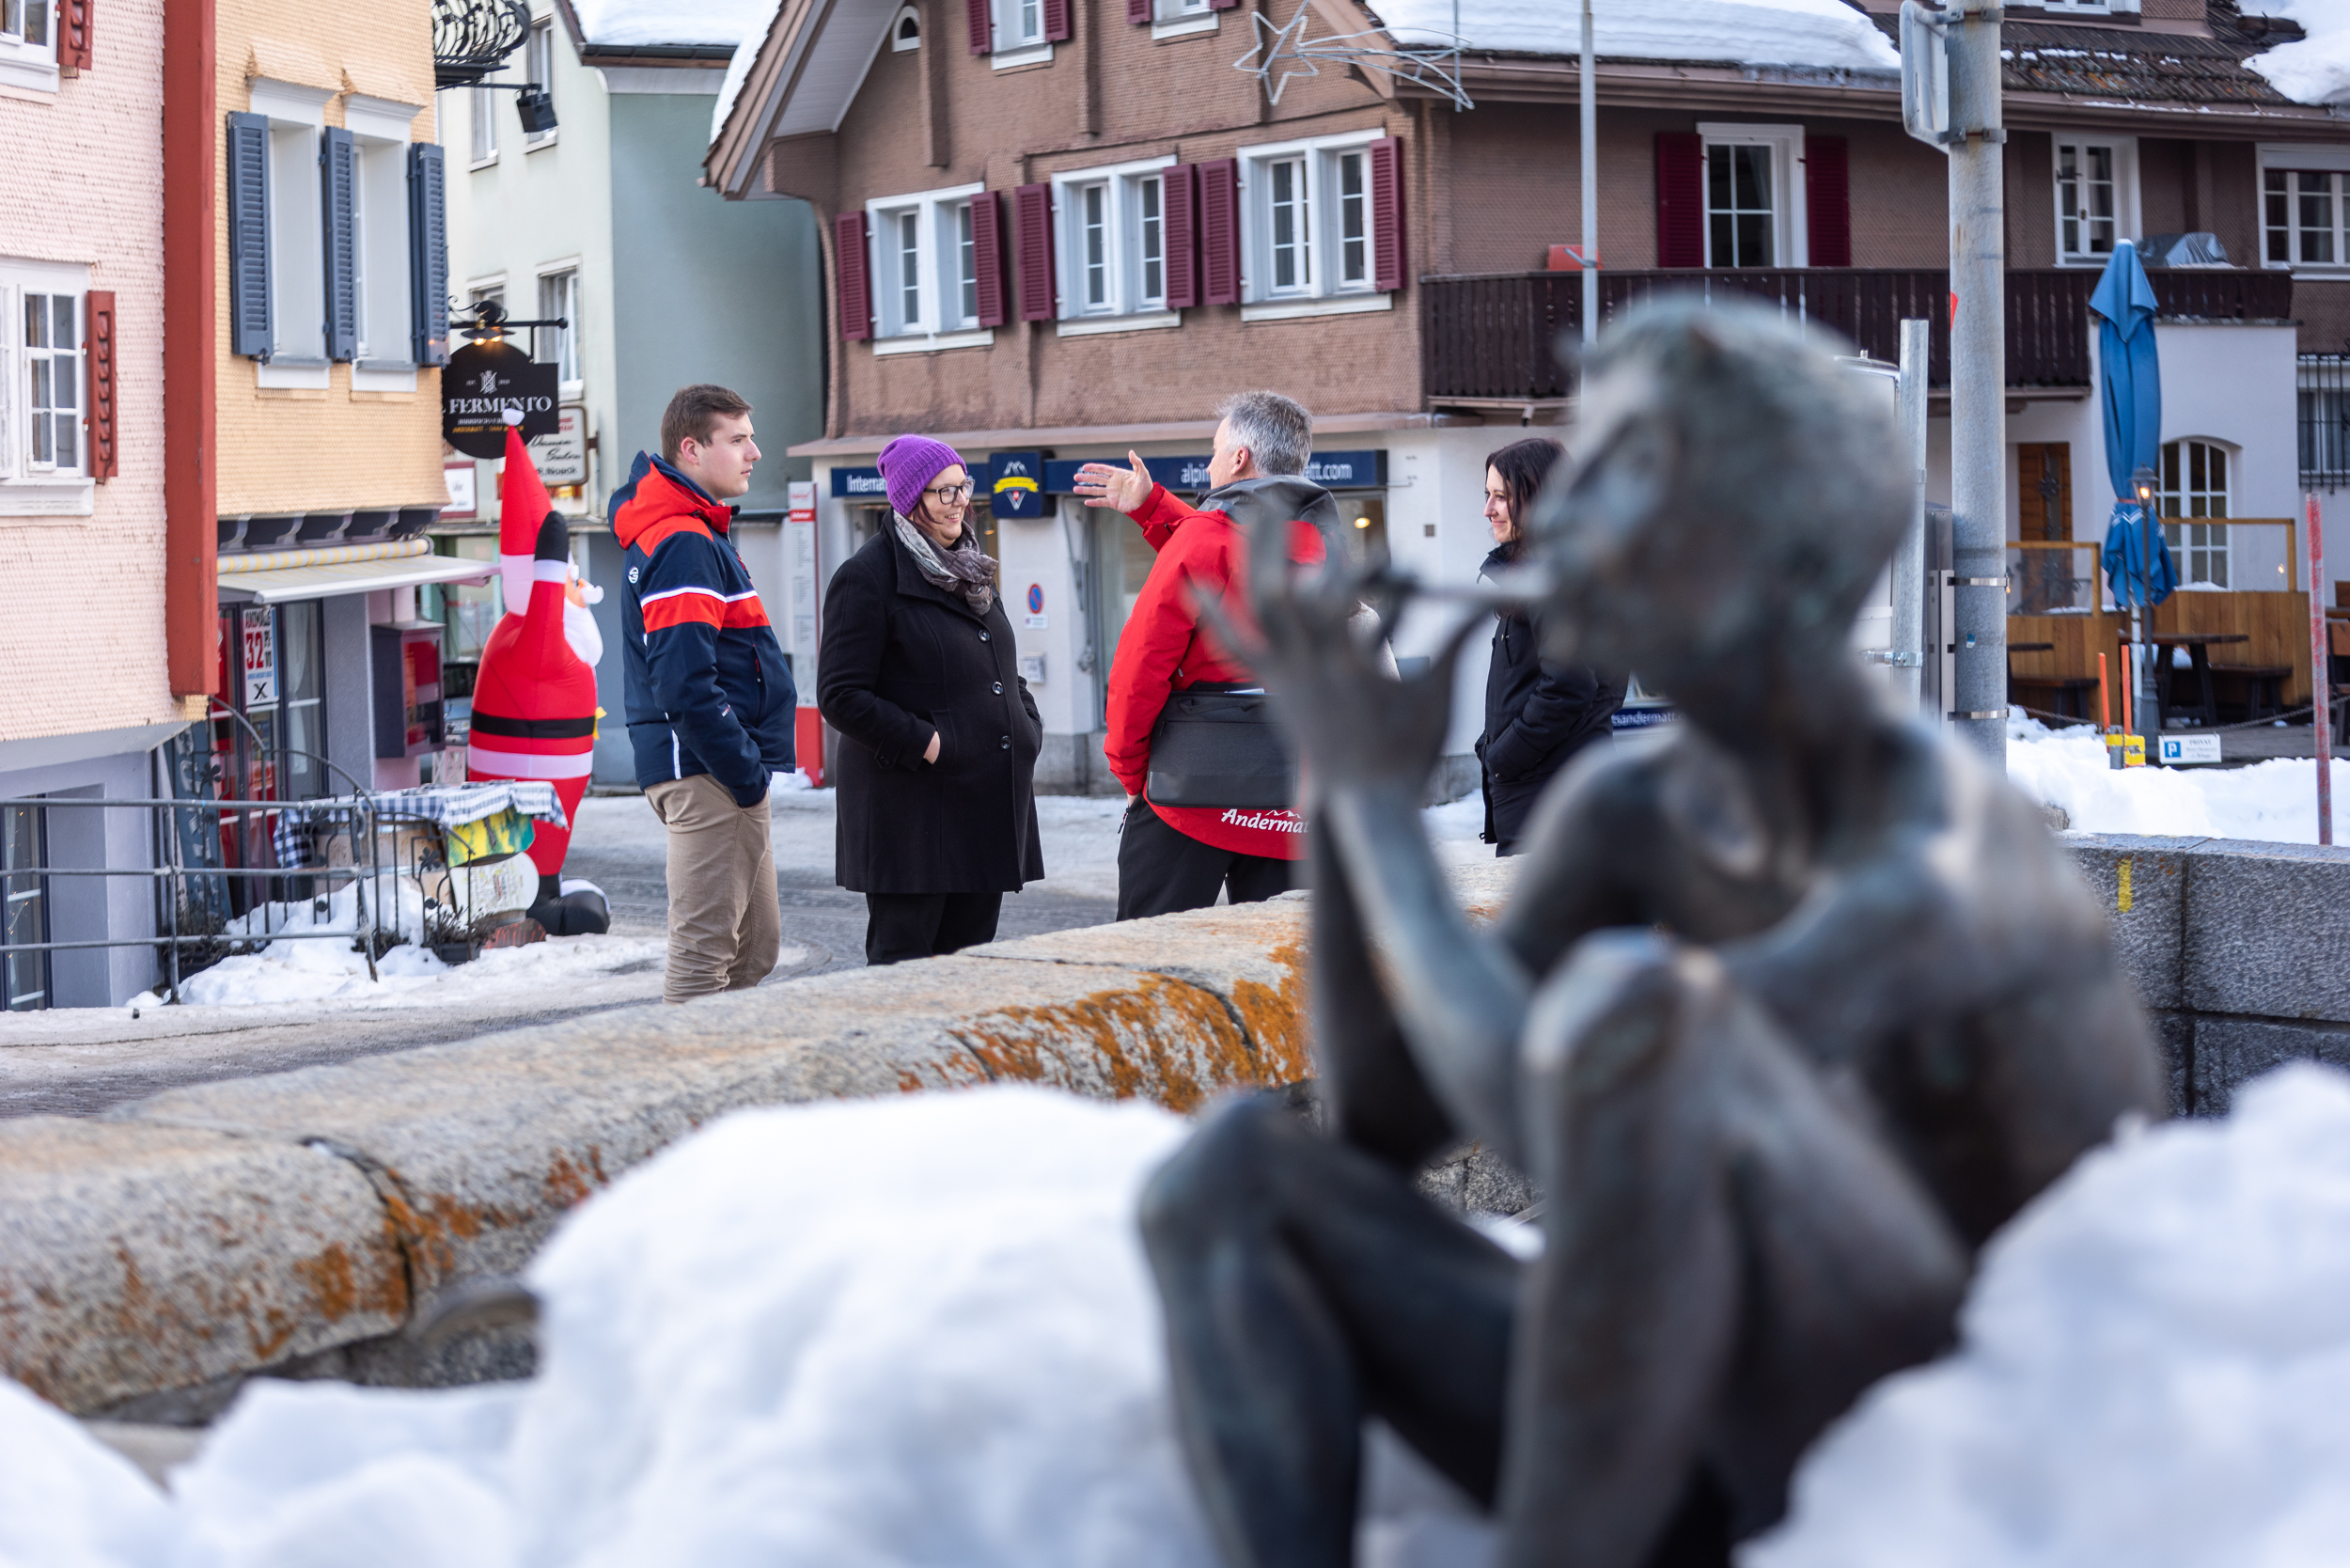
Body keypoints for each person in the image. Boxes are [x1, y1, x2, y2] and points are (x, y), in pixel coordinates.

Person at [1075, 391, 1330, 921]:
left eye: (1215, 449)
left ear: (1239, 458)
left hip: (1188, 796)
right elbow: (1229, 558)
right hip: (1286, 798)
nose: (1209, 461)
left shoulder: (1203, 543)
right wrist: (1153, 508)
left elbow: (1139, 668)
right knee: (1277, 967)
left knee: (1149, 968)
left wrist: (1130, 772)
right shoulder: (1322, 546)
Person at [819, 436, 1043, 964]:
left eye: (962, 486)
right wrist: (929, 743)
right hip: (912, 815)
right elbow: (841, 695)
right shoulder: (868, 576)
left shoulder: (969, 571)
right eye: (943, 492)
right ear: (910, 499)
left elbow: (1000, 664)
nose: (960, 501)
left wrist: (1025, 723)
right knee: (906, 967)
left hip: (983, 800)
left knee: (966, 965)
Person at [611, 384, 796, 1003]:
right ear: (691, 449)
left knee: (754, 948)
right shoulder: (685, 541)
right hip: (709, 775)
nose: (755, 453)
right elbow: (684, 684)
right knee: (702, 962)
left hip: (721, 772)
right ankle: (691, 1095)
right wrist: (743, 771)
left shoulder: (695, 533)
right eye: (738, 439)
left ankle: (729, 1083)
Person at [1475, 437, 1624, 855]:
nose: (1488, 509)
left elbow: (1570, 686)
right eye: (1488, 495)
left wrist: (1502, 756)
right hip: (1545, 797)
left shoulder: (1556, 576)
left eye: (1501, 497)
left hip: (1549, 803)